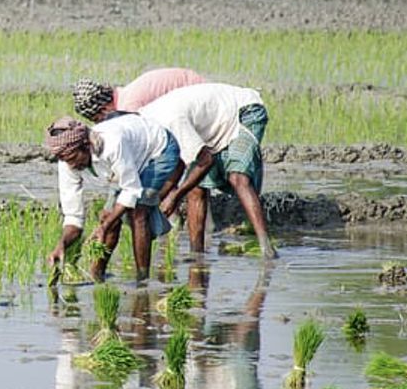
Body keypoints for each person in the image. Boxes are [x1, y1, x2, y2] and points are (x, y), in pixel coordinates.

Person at [138, 82, 278, 258]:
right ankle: (196, 253)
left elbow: (205, 160)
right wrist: (157, 199)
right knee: (196, 188)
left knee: (238, 177)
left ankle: (267, 248)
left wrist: (175, 197)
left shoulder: (169, 121)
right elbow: (178, 165)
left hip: (243, 111)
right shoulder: (147, 125)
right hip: (212, 130)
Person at [44, 114, 181, 281]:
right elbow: (74, 217)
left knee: (138, 211)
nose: (72, 165)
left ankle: (142, 280)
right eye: (67, 161)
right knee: (109, 217)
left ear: (86, 145)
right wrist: (62, 245)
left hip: (159, 149)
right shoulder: (67, 161)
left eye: (74, 159)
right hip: (128, 161)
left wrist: (104, 227)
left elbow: (131, 189)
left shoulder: (112, 144)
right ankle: (97, 275)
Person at [72, 68, 207, 123]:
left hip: (198, 97)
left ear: (104, 109)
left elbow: (145, 138)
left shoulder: (129, 107)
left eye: (98, 119)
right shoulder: (126, 94)